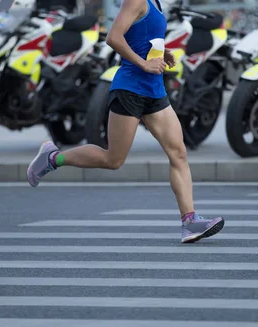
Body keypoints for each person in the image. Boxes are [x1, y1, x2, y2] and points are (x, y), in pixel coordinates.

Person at [26, 0, 225, 244]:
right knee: (113, 160)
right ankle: (52, 158)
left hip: (155, 90)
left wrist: (162, 53)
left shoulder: (156, 3)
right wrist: (143, 63)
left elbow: (141, 36)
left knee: (178, 153)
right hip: (130, 89)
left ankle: (189, 221)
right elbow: (114, 37)